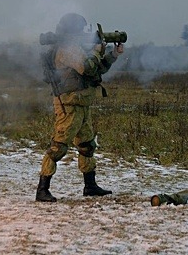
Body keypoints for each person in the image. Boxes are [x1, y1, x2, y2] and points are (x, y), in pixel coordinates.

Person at [36, 13, 124, 202]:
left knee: (86, 146)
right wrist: (96, 51)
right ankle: (42, 189)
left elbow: (97, 70)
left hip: (81, 104)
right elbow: (87, 67)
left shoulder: (76, 48)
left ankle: (90, 186)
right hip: (69, 105)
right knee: (58, 146)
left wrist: (113, 55)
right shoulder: (67, 50)